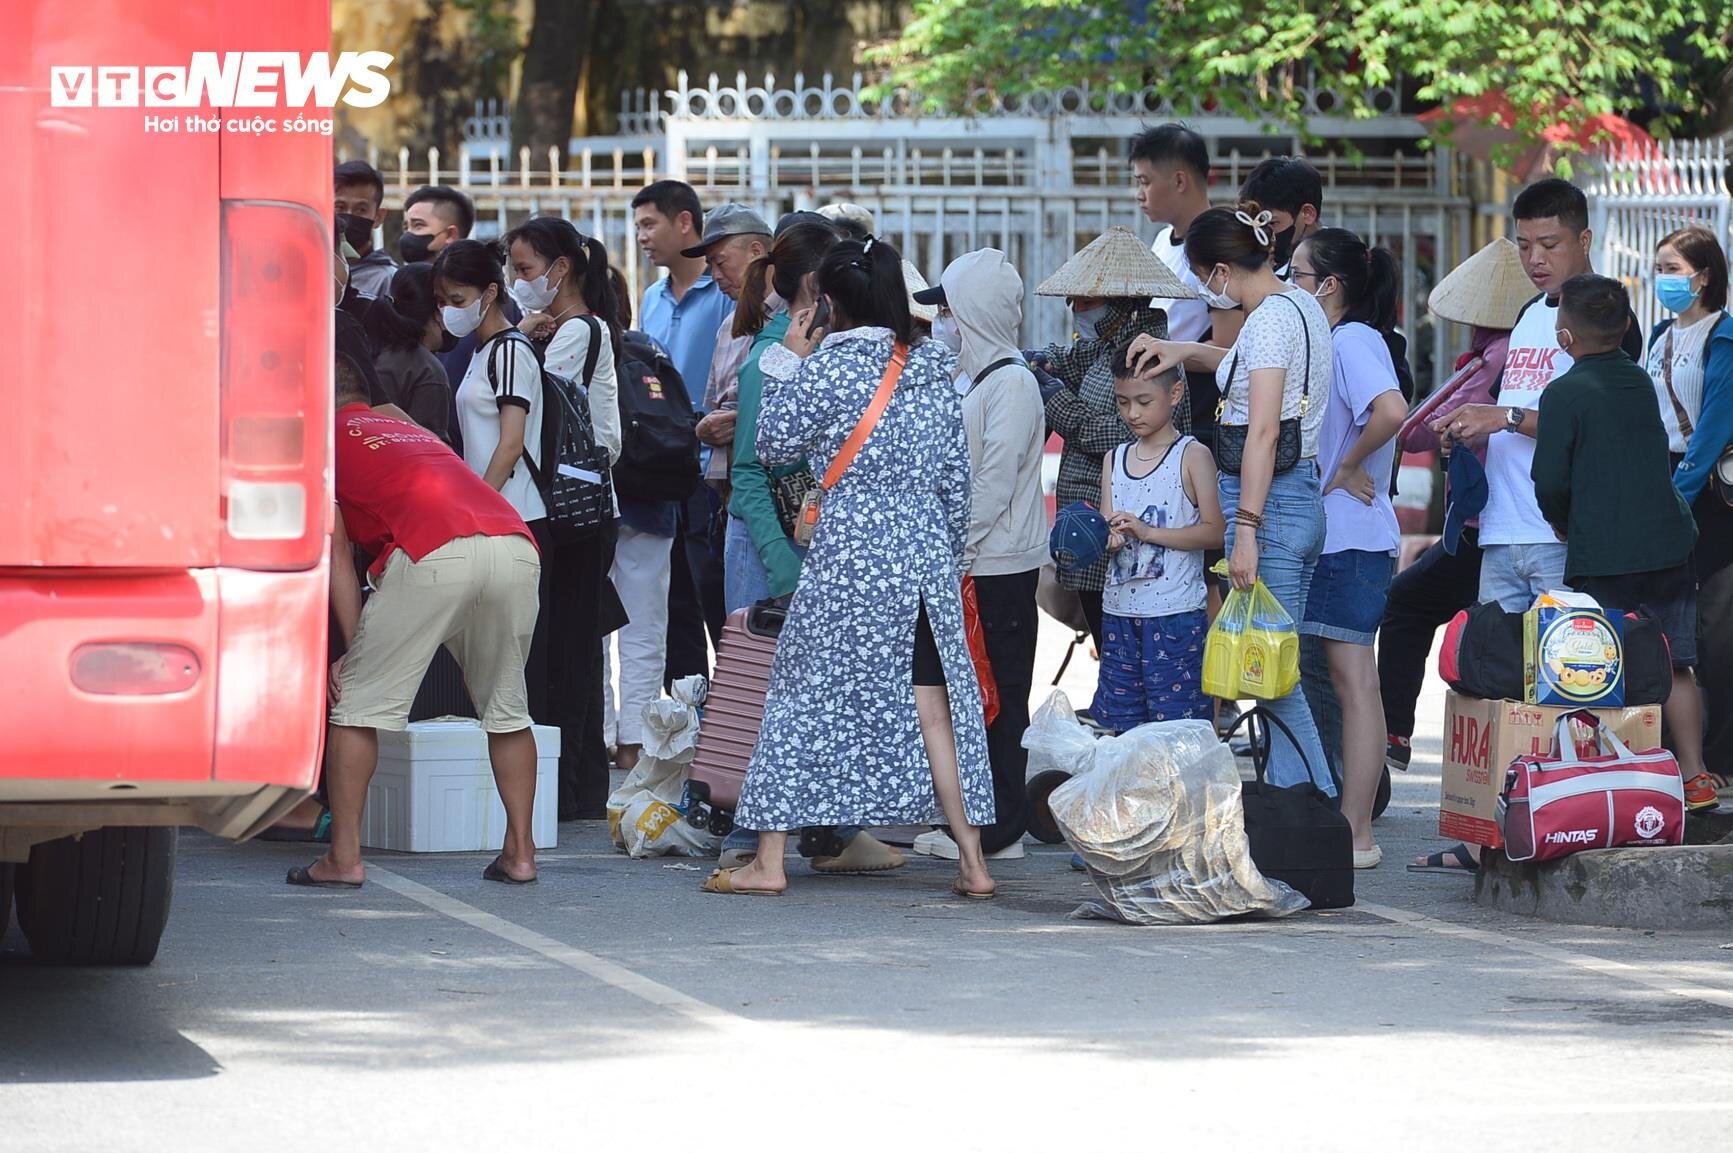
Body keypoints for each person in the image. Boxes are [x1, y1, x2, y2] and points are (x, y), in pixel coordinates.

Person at [702, 235, 997, 898]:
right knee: (933, 714)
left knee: (798, 698)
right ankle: (973, 863)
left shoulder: (825, 369)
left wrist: (787, 355)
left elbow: (772, 443)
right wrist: (941, 558)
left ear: (828, 302)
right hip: (920, 560)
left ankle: (768, 861)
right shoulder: (930, 370)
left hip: (845, 558)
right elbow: (957, 481)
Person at [288, 355, 540, 888]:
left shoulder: (317, 446)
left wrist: (354, 652)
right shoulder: (402, 424)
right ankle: (520, 853)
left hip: (433, 550)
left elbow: (335, 557)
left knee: (357, 707)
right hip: (513, 541)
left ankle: (343, 859)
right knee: (507, 707)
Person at [1128, 203, 1335, 792]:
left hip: (1271, 508)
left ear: (1221, 270)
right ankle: (1311, 814)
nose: (1202, 290)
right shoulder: (1298, 304)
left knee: (1273, 678)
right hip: (1295, 501)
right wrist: (1187, 353)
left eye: (1201, 279)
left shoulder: (1268, 319)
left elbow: (1264, 430)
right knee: (1271, 671)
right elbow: (1257, 372)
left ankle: (1325, 819)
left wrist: (1244, 528)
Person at [432, 238, 616, 820]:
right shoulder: (491, 351)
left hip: (520, 518)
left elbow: (511, 443)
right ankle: (536, 799)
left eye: (456, 298)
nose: (447, 311)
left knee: (526, 660)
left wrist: (477, 508)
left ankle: (539, 801)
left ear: (489, 294)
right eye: (441, 301)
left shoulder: (508, 351)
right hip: (505, 513)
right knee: (520, 657)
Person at [1531, 273, 1717, 812]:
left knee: (1600, 668)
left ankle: (1617, 775)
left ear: (1565, 337)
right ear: (1628, 326)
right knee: (1676, 662)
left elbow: (1550, 480)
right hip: (1669, 542)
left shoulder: (1563, 392)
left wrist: (1563, 521)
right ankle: (1695, 775)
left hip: (1606, 552)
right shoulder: (1638, 381)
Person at [1432, 178, 1644, 613]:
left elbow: (1597, 427)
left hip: (1562, 535)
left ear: (1584, 239)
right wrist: (1469, 428)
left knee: (1566, 671)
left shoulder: (1608, 321)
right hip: (1501, 530)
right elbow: (1511, 403)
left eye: (1549, 244)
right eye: (1524, 245)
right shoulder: (1529, 313)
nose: (1535, 259)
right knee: (1496, 671)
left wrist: (1502, 417)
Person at [910, 249, 1049, 861]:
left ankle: (1001, 830)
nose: (943, 322)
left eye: (949, 311)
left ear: (974, 313)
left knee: (1002, 694)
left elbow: (991, 482)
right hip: (973, 564)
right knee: (975, 696)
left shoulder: (1013, 383)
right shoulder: (980, 379)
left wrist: (954, 552)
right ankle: (981, 816)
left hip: (996, 569)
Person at [1380, 238, 1527, 782]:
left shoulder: (1496, 356)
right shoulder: (1522, 350)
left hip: (1482, 528)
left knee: (1407, 605)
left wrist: (1466, 372)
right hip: (1506, 524)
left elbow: (1415, 428)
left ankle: (1393, 730)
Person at [501, 218, 635, 793]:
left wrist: (521, 337)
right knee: (577, 643)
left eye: (526, 270)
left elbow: (537, 413)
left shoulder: (575, 332)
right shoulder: (583, 327)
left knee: (564, 647)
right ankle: (578, 783)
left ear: (561, 269)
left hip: (570, 511)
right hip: (591, 506)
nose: (518, 281)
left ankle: (570, 784)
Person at [1290, 228, 1409, 867]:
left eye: (1299, 274)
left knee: (1354, 682)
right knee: (1333, 682)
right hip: (1335, 539)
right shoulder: (1331, 340)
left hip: (1353, 540)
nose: (1291, 284)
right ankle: (1345, 819)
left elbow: (1391, 411)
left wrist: (1344, 464)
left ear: (1328, 286)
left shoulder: (1353, 339)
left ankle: (1357, 829)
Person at [1033, 227, 1194, 648]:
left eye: (1086, 301)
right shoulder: (1106, 347)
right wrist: (1039, 363)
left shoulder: (1151, 361)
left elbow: (1113, 432)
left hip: (1133, 529)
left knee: (1131, 643)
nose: (1075, 309)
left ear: (1122, 306)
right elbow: (1069, 359)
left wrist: (1056, 402)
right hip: (1096, 524)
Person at [1094, 344, 1224, 731]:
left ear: (1175, 394)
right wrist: (1107, 538)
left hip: (1175, 617)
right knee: (1124, 729)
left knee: (1177, 730)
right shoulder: (1114, 459)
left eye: (1143, 401)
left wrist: (1149, 532)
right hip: (1118, 614)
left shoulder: (1192, 455)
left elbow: (1214, 530)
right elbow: (1106, 529)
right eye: (1122, 402)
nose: (1132, 413)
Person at [1647, 226, 1733, 792]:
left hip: (1710, 498)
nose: (1663, 279)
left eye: (1673, 268)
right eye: (1660, 268)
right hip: (1662, 490)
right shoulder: (1657, 335)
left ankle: (1722, 761)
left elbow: (1714, 426)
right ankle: (1672, 758)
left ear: (1703, 275)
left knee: (1717, 630)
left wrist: (1680, 490)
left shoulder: (1723, 339)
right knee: (1665, 631)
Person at [635, 180, 729, 681]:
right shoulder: (651, 297)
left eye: (650, 224)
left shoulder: (723, 295)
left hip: (711, 465)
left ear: (685, 221)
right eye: (638, 228)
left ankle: (733, 717)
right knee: (670, 599)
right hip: (661, 463)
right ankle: (688, 714)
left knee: (710, 586)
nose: (643, 237)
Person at [1130, 123, 1219, 443]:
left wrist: (1171, 354)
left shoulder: (1219, 246)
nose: (1139, 194)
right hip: (1158, 402)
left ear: (1179, 180)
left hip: (1199, 413)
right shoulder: (1162, 241)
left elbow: (1229, 350)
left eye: (1145, 182)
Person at [689, 204, 776, 498]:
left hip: (777, 495)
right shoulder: (729, 326)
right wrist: (705, 431)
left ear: (756, 251)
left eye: (720, 262)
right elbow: (712, 409)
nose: (714, 275)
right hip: (729, 493)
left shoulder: (799, 320)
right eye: (710, 265)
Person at [363, 262, 453, 438]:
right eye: (451, 302)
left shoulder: (371, 349)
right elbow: (432, 452)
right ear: (438, 312)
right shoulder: (427, 370)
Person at [1239, 156, 1324, 281]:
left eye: (1272, 223)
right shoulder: (1272, 263)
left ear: (1307, 214)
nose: (1263, 233)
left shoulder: (1336, 265)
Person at [334, 160, 397, 299]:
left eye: (361, 209)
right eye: (339, 207)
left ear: (379, 217)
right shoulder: (310, 271)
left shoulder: (388, 281)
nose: (348, 217)